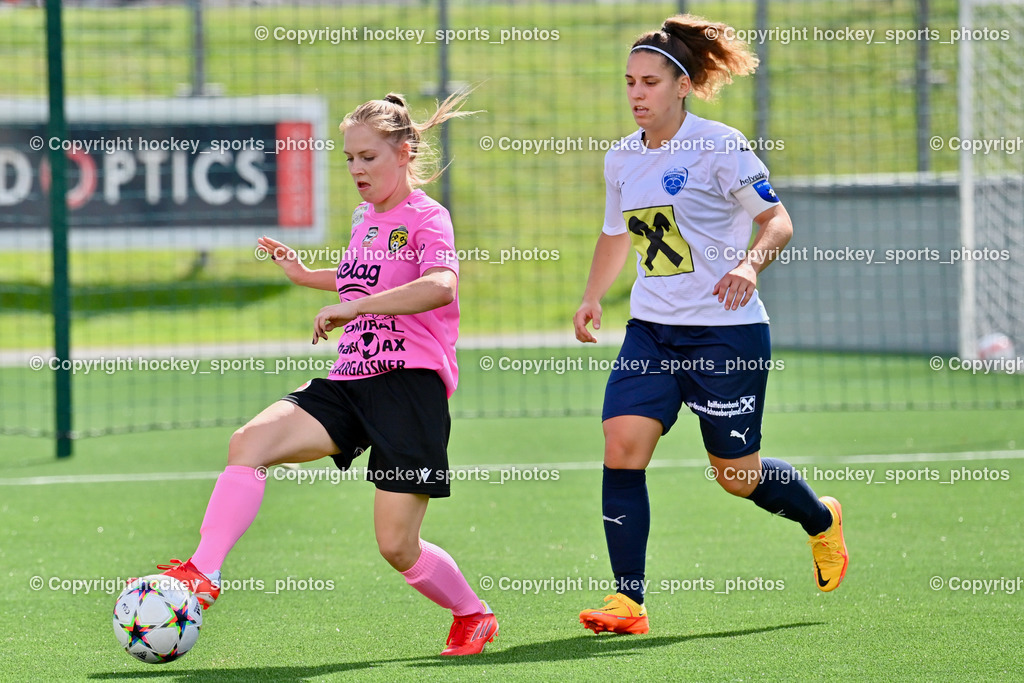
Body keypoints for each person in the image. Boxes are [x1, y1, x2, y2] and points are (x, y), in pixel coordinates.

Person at [152, 92, 498, 656]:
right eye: (349, 159)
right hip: (349, 379)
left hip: (409, 386)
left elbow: (440, 285)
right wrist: (305, 275)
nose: (357, 170)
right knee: (250, 441)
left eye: (368, 157)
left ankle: (472, 613)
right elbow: (359, 274)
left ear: (405, 152)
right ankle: (202, 572)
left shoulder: (428, 216)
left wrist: (356, 308)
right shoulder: (366, 217)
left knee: (396, 545)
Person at [573, 15, 849, 635]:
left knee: (737, 477)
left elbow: (777, 221)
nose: (637, 93)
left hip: (727, 332)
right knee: (622, 447)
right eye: (629, 82)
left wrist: (750, 267)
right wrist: (593, 296)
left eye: (649, 82)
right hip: (651, 330)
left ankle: (821, 519)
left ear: (682, 86)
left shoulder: (719, 145)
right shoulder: (621, 157)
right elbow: (616, 233)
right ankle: (628, 602)